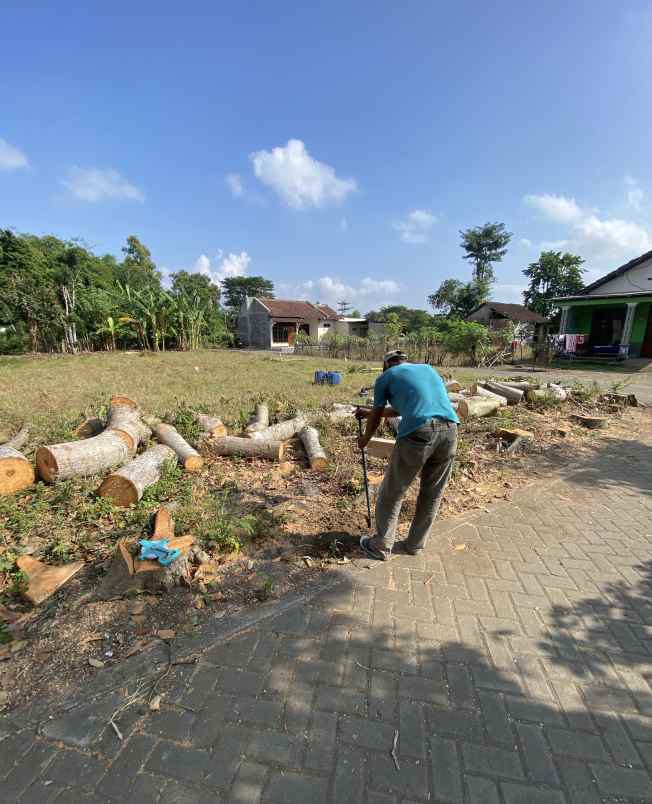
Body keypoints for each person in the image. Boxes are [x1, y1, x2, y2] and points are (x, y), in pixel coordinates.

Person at [356, 349, 459, 560]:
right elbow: (405, 407)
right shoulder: (427, 369)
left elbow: (377, 417)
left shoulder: (385, 377)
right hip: (450, 430)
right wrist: (369, 412)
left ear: (386, 365)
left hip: (419, 433)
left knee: (392, 492)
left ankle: (381, 546)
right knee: (432, 493)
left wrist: (365, 439)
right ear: (405, 361)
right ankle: (415, 545)